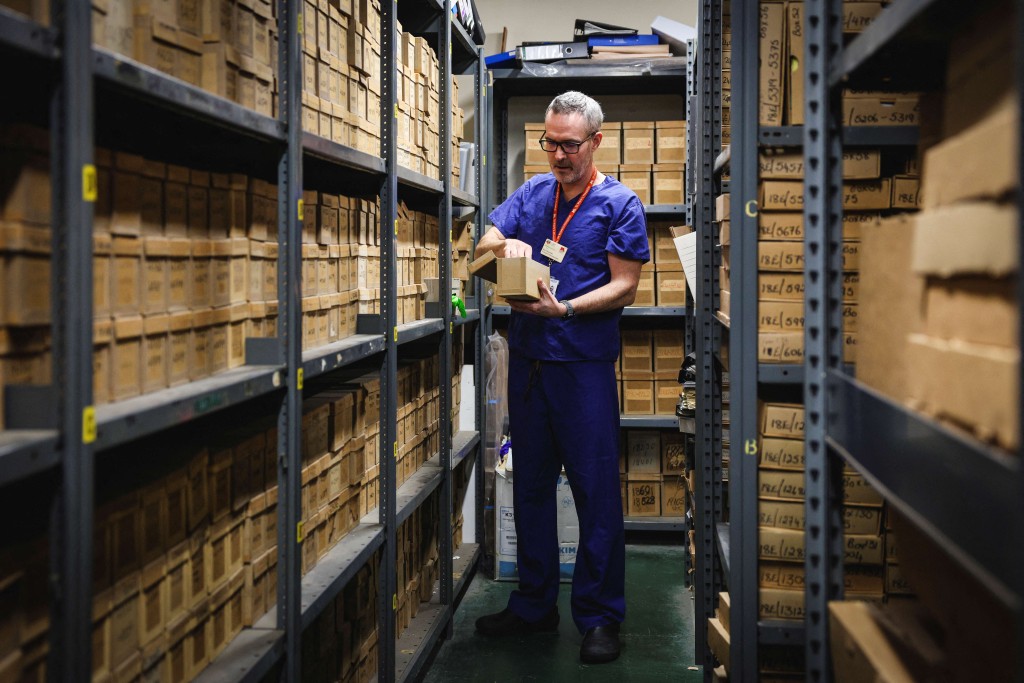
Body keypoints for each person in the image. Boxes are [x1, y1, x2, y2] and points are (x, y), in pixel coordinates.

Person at [473, 91, 650, 664]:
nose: (557, 155)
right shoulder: (533, 194)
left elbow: (627, 285)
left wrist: (567, 309)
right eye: (549, 142)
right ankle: (534, 604)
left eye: (569, 144)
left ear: (595, 141)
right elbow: (481, 245)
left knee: (595, 493)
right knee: (528, 489)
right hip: (528, 368)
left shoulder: (620, 204)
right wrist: (503, 244)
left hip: (583, 368)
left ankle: (599, 617)